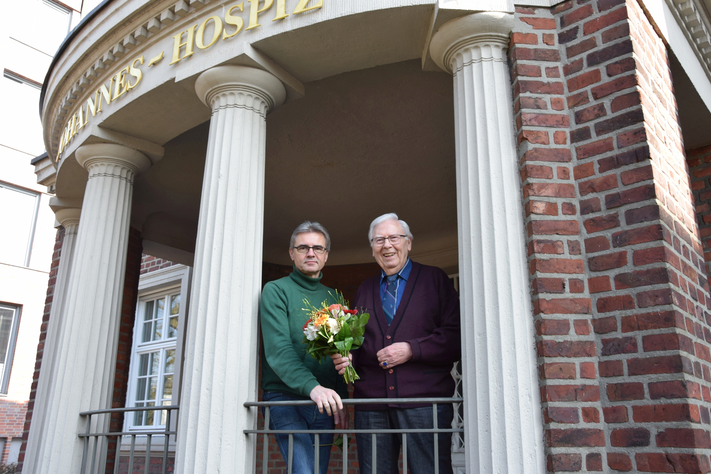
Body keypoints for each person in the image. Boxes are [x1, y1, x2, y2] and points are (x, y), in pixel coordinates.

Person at [333, 213, 461, 474]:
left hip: (426, 403)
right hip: (372, 406)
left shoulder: (435, 280)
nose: (387, 245)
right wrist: (348, 359)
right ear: (372, 249)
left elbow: (455, 336)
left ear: (409, 242)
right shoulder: (365, 289)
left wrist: (412, 349)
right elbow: (359, 343)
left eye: (394, 237)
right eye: (379, 240)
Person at [260, 221, 348, 474]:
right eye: (303, 247)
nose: (311, 253)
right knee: (303, 471)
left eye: (318, 248)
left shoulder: (335, 299)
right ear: (291, 253)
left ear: (326, 255)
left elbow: (339, 354)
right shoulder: (276, 291)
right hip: (285, 398)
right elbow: (278, 350)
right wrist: (313, 388)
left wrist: (341, 400)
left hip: (325, 401)